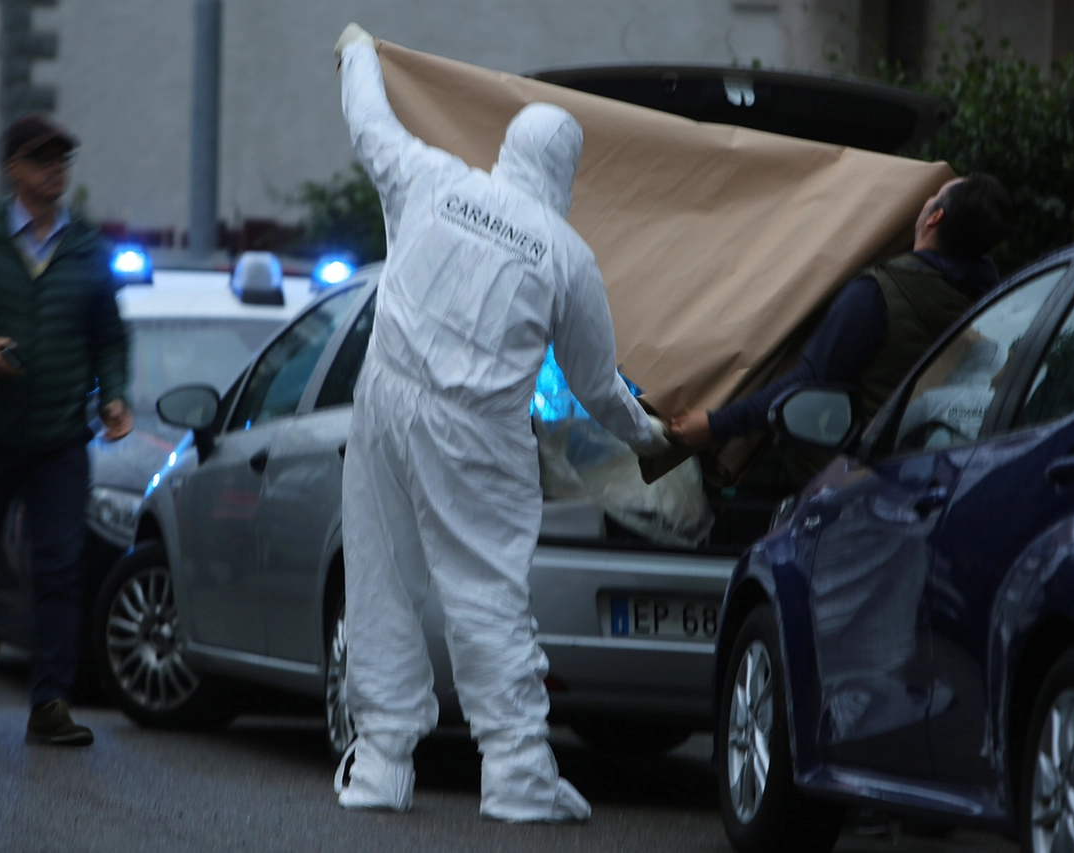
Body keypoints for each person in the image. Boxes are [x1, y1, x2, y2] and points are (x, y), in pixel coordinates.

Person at [331, 24, 671, 822]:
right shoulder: (565, 253)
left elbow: (369, 123)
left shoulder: (432, 180)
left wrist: (357, 53)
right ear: (567, 171)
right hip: (474, 433)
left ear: (509, 147)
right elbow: (597, 385)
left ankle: (380, 762)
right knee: (483, 592)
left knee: (379, 574)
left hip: (384, 398)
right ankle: (517, 771)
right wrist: (652, 439)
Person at [0, 114, 132, 745]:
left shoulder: (86, 247)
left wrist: (114, 395)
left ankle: (51, 705)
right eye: (42, 159)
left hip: (59, 438)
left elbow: (109, 336)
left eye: (63, 158)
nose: (55, 169)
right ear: (13, 167)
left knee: (60, 566)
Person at [668, 173, 1012, 482]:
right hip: (931, 474)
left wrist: (713, 426)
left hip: (842, 482)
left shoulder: (879, 292)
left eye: (933, 195)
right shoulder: (998, 305)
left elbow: (806, 385)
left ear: (935, 216)